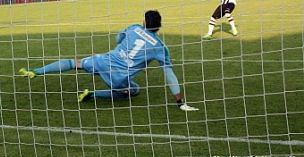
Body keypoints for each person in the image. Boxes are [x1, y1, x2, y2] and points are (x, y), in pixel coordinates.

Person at [19, 10, 199, 111]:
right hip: (118, 76)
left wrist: (123, 41)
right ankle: (92, 94)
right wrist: (180, 102)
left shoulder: (134, 27)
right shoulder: (160, 47)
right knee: (134, 90)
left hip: (104, 60)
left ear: (144, 22)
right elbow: (169, 75)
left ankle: (36, 71)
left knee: (76, 63)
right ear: (158, 26)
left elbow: (117, 40)